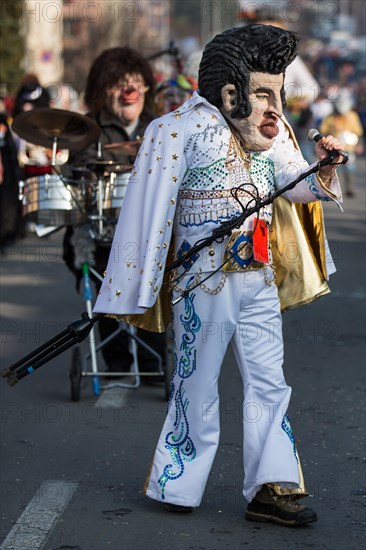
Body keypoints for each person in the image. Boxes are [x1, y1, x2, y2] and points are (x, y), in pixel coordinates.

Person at [94, 25, 344, 526]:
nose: (274, 106)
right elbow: (148, 211)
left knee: (270, 384)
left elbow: (298, 189)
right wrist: (136, 281)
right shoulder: (176, 130)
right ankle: (178, 482)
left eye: (278, 93)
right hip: (200, 285)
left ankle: (272, 487)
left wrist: (324, 168)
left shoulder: (271, 135)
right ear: (230, 93)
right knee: (197, 383)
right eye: (263, 93)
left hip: (258, 281)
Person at [63, 47, 166, 376]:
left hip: (152, 231)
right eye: (120, 83)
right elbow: (71, 177)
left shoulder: (161, 128)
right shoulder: (86, 130)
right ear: (103, 90)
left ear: (146, 88)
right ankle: (118, 362)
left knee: (155, 282)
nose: (129, 90)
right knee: (105, 281)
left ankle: (155, 361)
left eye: (136, 82)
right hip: (102, 229)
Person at [320, 90, 363, 197]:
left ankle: (349, 188)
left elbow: (358, 132)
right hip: (334, 149)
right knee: (334, 169)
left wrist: (359, 144)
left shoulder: (352, 116)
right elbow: (324, 131)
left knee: (349, 168)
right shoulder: (330, 117)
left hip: (349, 148)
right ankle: (333, 190)